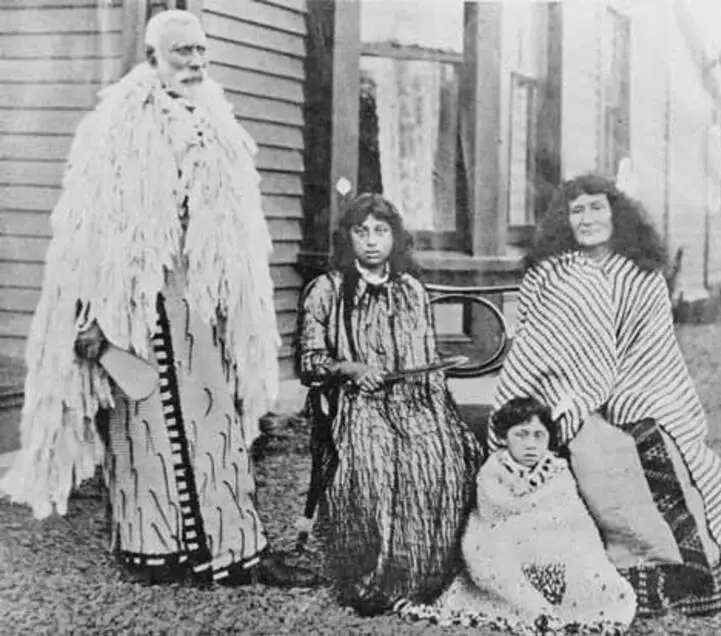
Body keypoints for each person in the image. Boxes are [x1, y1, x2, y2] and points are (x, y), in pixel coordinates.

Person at [0, 9, 299, 586]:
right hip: (135, 305)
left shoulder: (221, 125)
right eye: (182, 51)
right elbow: (82, 234)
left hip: (204, 301)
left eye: (202, 51)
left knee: (216, 425)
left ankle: (232, 548)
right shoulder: (112, 127)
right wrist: (87, 315)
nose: (195, 62)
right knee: (143, 425)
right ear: (152, 57)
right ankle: (155, 550)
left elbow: (240, 226)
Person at [488, 173, 721, 613]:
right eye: (576, 210)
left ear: (616, 213)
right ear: (564, 219)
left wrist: (627, 396)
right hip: (565, 395)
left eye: (596, 207)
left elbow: (653, 349)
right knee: (604, 457)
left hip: (637, 390)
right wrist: (576, 398)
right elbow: (538, 345)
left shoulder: (642, 275)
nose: (587, 218)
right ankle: (630, 577)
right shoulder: (549, 273)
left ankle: (702, 575)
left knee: (693, 462)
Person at [296, 193, 483, 614]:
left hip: (411, 400)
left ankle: (424, 575)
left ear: (395, 237)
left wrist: (439, 417)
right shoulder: (326, 291)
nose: (372, 241)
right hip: (353, 403)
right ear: (348, 238)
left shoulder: (411, 291)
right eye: (362, 232)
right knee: (374, 464)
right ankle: (371, 579)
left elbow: (425, 367)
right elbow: (309, 362)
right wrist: (351, 368)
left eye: (381, 231)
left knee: (442, 458)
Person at [397, 398, 636, 634]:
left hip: (557, 548)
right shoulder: (492, 472)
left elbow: (572, 520)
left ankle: (567, 604)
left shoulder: (558, 473)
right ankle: (528, 605)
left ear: (549, 440)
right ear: (503, 438)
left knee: (599, 579)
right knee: (489, 555)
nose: (530, 444)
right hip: (507, 545)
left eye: (538, 435)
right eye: (521, 435)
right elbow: (491, 516)